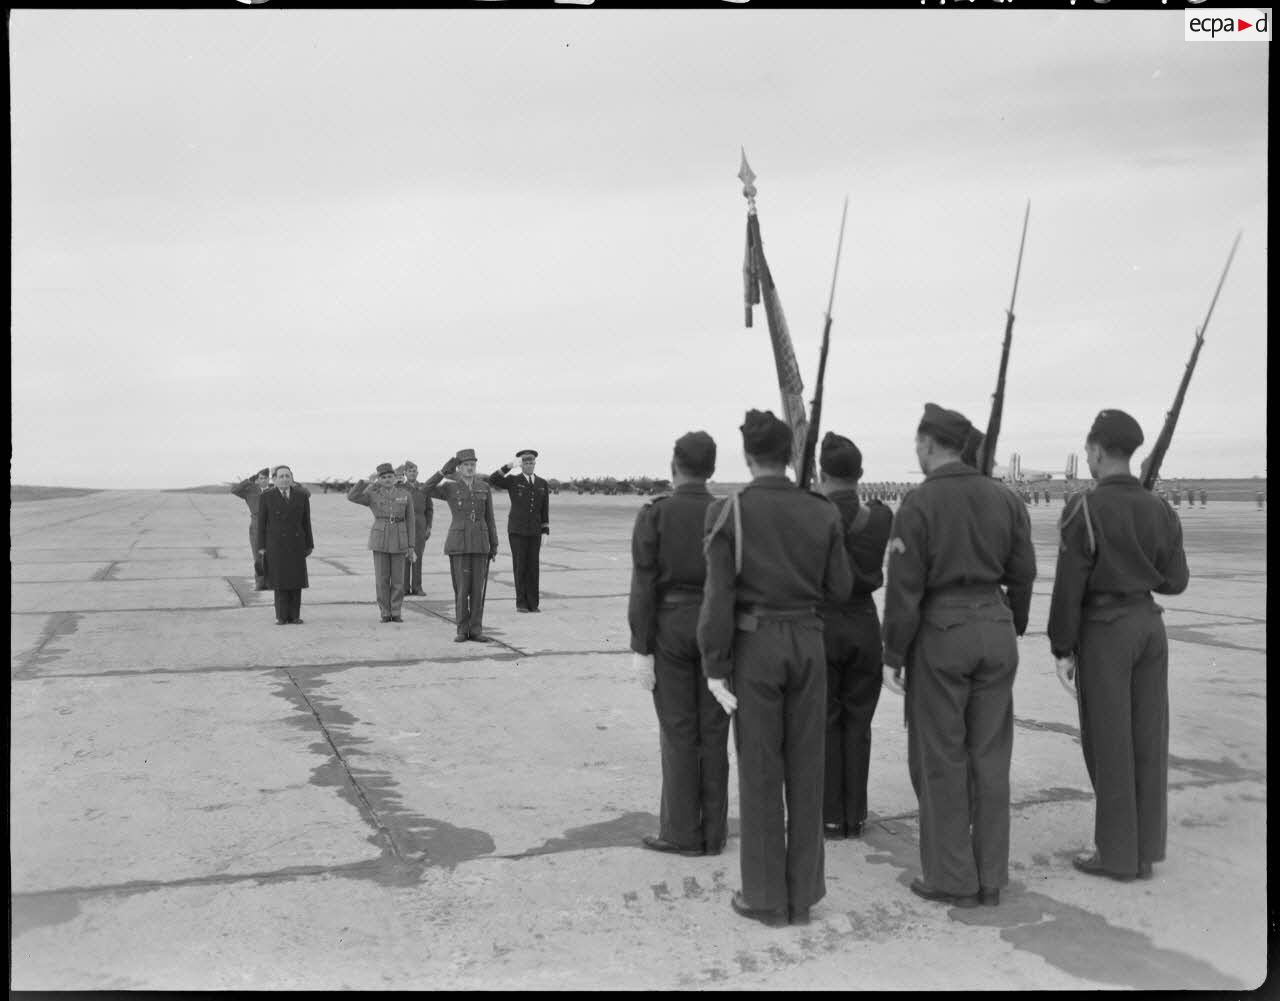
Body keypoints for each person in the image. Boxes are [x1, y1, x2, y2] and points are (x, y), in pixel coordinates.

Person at [697, 409, 852, 927]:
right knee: (807, 767)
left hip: (755, 646)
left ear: (747, 455)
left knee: (761, 770)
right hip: (808, 640)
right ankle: (803, 894)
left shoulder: (730, 512)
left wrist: (715, 664)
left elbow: (718, 598)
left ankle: (765, 897)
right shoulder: (822, 511)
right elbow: (842, 588)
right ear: (790, 456)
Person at [881, 403, 1036, 909]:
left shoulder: (919, 503)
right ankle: (990, 876)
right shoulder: (1008, 500)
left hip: (942, 632)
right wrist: (1010, 623)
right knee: (990, 757)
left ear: (929, 445)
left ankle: (951, 877)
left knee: (942, 758)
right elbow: (1025, 572)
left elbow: (904, 588)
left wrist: (893, 652)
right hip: (995, 625)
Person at [1047, 409, 1189, 882]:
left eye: (1088, 450)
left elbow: (1070, 583)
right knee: (1149, 740)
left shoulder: (1084, 508)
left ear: (1097, 450)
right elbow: (1176, 580)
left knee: (1109, 743)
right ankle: (1145, 850)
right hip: (1150, 625)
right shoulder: (1161, 509)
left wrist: (1061, 646)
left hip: (1106, 629)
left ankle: (1115, 853)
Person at [629, 431, 729, 859]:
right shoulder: (725, 512)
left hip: (670, 624)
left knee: (677, 730)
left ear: (675, 465)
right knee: (713, 732)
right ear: (711, 467)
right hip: (716, 625)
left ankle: (681, 831)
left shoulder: (656, 513)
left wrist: (640, 644)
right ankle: (714, 833)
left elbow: (644, 582)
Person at [815, 432, 893, 841]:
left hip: (823, 624)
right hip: (864, 624)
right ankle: (854, 816)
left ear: (820, 472)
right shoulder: (880, 517)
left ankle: (829, 816)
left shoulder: (811, 515)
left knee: (826, 722)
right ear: (861, 474)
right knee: (858, 723)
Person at [424, 449, 499, 642]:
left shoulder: (483, 487)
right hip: (459, 543)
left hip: (481, 543)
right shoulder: (450, 488)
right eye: (466, 465)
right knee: (462, 589)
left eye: (473, 464)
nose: (470, 468)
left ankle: (476, 630)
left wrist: (494, 543)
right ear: (459, 467)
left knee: (477, 589)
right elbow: (424, 489)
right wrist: (441, 472)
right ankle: (461, 629)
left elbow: (489, 517)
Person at [348, 463, 416, 623]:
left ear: (395, 478)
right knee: (382, 579)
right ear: (379, 479)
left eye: (390, 476)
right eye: (383, 477)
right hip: (380, 539)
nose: (387, 480)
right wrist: (367, 482)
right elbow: (352, 497)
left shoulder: (405, 494)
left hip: (400, 538)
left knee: (398, 580)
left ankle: (396, 611)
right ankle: (385, 612)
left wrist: (411, 545)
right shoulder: (373, 494)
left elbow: (411, 521)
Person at [488, 449, 551, 612]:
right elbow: (493, 479)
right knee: (520, 566)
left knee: (533, 567)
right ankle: (521, 603)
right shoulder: (513, 480)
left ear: (535, 464)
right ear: (521, 465)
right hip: (517, 530)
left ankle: (533, 603)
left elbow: (545, 509)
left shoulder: (542, 483)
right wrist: (509, 466)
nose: (529, 465)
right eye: (525, 463)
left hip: (535, 531)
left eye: (531, 463)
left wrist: (545, 530)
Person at [256, 465, 314, 625]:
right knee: (279, 581)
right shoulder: (267, 496)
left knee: (296, 580)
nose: (284, 479)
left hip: (296, 543)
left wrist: (309, 544)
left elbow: (306, 522)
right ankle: (281, 616)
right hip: (275, 544)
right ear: (274, 480)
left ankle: (295, 616)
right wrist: (261, 546)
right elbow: (261, 523)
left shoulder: (301, 496)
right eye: (281, 476)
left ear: (292, 478)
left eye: (287, 476)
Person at [398, 461, 434, 597]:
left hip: (420, 525)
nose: (412, 473)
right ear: (405, 473)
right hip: (405, 524)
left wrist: (429, 526)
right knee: (405, 557)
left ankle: (417, 587)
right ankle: (405, 587)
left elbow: (429, 509)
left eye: (414, 471)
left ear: (417, 473)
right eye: (410, 471)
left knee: (417, 557)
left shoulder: (424, 487)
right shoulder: (400, 488)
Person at [232, 467, 271, 590]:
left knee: (271, 557)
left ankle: (271, 582)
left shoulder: (274, 491)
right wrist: (248, 481)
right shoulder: (251, 490)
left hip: (271, 527)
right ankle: (260, 583)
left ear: (268, 479)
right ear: (257, 480)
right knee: (257, 557)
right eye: (260, 478)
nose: (263, 480)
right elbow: (234, 490)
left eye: (265, 478)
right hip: (256, 526)